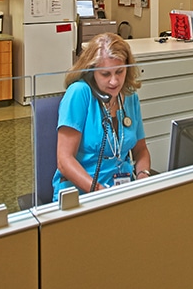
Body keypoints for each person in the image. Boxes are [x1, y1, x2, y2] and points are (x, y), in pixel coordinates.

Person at [53, 33, 151, 199]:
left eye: (119, 72)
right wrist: (100, 192)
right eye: (105, 74)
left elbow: (140, 149)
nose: (114, 81)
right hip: (84, 193)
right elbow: (64, 160)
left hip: (122, 192)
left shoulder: (129, 96)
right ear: (92, 72)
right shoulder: (79, 93)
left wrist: (143, 176)